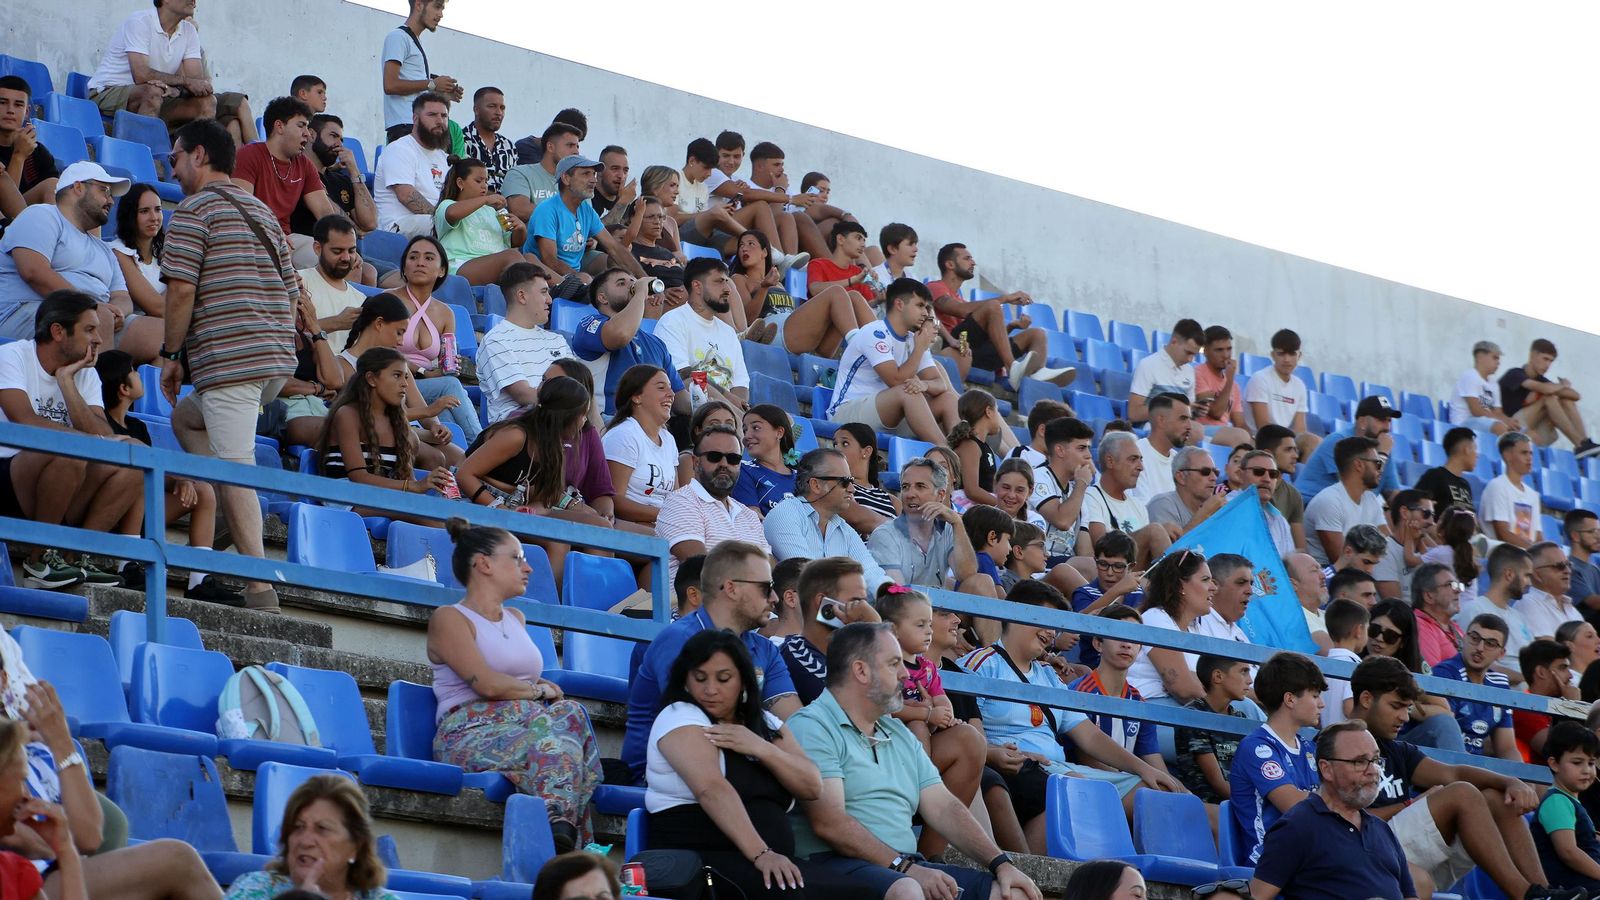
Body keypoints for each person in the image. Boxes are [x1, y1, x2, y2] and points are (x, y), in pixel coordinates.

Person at [787, 623, 1047, 900]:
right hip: (833, 866)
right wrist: (905, 867)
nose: (905, 674)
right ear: (861, 670)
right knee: (909, 890)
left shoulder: (896, 732)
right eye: (894, 663)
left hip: (902, 867)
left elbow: (944, 806)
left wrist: (1001, 864)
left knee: (1014, 893)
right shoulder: (812, 726)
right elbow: (830, 824)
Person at [158, 119, 296, 612]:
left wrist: (172, 356)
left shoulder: (193, 210)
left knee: (237, 467)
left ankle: (259, 589)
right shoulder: (260, 210)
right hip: (274, 360)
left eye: (174, 157)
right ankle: (219, 514)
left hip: (231, 359)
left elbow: (180, 290)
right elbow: (292, 288)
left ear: (198, 155)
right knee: (186, 419)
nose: (170, 168)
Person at [961, 590, 1185, 854]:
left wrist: (1143, 769)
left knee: (1153, 791)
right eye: (1045, 622)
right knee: (1076, 788)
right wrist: (994, 752)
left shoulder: (1049, 675)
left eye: (1054, 627)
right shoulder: (981, 664)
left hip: (1059, 767)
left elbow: (1087, 734)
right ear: (1016, 614)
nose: (1050, 633)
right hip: (1019, 767)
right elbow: (965, 731)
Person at [428, 518, 602, 850]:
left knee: (572, 713)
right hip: (470, 730)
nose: (529, 568)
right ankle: (567, 838)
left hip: (527, 725)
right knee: (553, 736)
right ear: (484, 564)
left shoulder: (517, 618)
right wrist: (538, 691)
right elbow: (488, 685)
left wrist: (538, 690)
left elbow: (521, 680)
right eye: (518, 558)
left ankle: (561, 825)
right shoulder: (449, 618)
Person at [1350, 655, 1582, 900]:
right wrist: (1409, 804)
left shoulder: (1395, 749)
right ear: (1366, 699)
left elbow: (1453, 772)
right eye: (1396, 706)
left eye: (1407, 708)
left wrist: (1509, 781)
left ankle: (1543, 891)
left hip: (1402, 850)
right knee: (1462, 793)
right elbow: (1341, 820)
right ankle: (1527, 896)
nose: (1405, 718)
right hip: (1369, 848)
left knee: (1496, 797)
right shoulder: (1339, 747)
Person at [647, 630, 853, 900]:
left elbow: (812, 786)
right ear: (685, 679)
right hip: (703, 859)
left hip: (767, 860)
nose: (710, 690)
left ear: (744, 681)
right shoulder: (680, 715)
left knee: (861, 893)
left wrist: (761, 748)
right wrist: (762, 854)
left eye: (724, 679)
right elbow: (711, 789)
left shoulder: (765, 724)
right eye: (699, 678)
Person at [622, 541, 801, 783]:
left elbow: (796, 724)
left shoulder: (765, 648)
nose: (774, 598)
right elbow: (701, 725)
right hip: (666, 778)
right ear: (731, 588)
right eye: (765, 587)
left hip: (738, 767)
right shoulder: (678, 639)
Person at [0, 291, 143, 588]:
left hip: (63, 480)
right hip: (9, 475)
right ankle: (39, 561)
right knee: (71, 450)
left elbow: (102, 433)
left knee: (133, 460)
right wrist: (86, 441)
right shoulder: (11, 356)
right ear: (58, 332)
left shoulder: (85, 373)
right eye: (89, 330)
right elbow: (24, 421)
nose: (99, 340)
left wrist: (66, 381)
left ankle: (75, 558)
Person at [95, 349, 241, 604]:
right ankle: (126, 564)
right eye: (133, 371)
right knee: (138, 476)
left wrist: (179, 481)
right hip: (112, 509)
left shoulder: (138, 427)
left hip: (141, 512)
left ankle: (199, 579)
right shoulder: (99, 422)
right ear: (123, 389)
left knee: (204, 491)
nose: (138, 374)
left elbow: (154, 470)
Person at [1247, 721, 1419, 900]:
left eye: (1376, 761)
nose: (1373, 770)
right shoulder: (1297, 826)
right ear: (1327, 769)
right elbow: (1258, 896)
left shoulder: (1382, 830)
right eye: (1360, 762)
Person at [875, 586, 987, 857]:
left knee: (969, 736)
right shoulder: (884, 661)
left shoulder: (926, 666)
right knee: (916, 727)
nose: (928, 631)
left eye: (928, 624)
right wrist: (925, 714)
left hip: (924, 736)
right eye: (920, 624)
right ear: (893, 629)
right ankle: (917, 785)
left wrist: (944, 713)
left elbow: (939, 696)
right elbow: (886, 708)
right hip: (887, 742)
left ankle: (932, 854)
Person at [0, 162, 134, 343]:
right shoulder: (42, 215)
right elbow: (34, 272)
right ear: (78, 187)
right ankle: (102, 370)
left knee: (158, 335)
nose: (111, 201)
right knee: (96, 319)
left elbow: (122, 296)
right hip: (24, 312)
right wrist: (91, 308)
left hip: (91, 317)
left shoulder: (104, 249)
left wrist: (117, 312)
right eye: (105, 191)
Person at [315, 347, 453, 518]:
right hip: (346, 497)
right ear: (372, 379)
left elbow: (407, 480)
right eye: (397, 376)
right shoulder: (347, 414)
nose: (405, 384)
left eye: (406, 377)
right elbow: (359, 477)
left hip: (383, 497)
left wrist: (427, 485)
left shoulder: (397, 421)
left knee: (445, 512)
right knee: (421, 512)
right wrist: (413, 487)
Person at [333, 292, 463, 465]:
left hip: (408, 429)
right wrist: (429, 411)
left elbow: (417, 402)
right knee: (435, 457)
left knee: (460, 457)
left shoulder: (397, 362)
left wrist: (434, 426)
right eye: (399, 332)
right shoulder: (344, 365)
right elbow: (373, 416)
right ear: (379, 323)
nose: (402, 342)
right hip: (380, 434)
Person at [826, 278, 957, 445]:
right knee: (906, 391)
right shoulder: (875, 332)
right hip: (847, 415)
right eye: (920, 306)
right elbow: (895, 380)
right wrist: (919, 349)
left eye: (927, 307)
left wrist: (925, 385)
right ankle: (947, 454)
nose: (925, 313)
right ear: (900, 305)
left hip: (887, 414)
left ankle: (960, 449)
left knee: (948, 399)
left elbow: (940, 384)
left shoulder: (914, 338)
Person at [924, 243, 1072, 391]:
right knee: (993, 306)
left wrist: (1011, 327)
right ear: (950, 264)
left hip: (974, 353)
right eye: (967, 258)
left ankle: (1037, 373)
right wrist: (1005, 299)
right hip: (955, 347)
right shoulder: (935, 287)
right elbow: (959, 310)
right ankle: (1012, 368)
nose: (973, 262)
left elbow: (987, 338)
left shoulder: (964, 301)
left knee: (1038, 334)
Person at [224, 775, 398, 900]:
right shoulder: (254, 889)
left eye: (322, 829)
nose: (305, 841)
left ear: (356, 846)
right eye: (298, 827)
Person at [1229, 651, 1327, 864]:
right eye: (1315, 695)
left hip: (1305, 855)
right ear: (1290, 699)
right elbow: (1293, 805)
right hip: (1268, 861)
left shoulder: (1309, 747)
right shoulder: (1257, 748)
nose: (1322, 705)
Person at [386, 234, 482, 443]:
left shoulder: (446, 313)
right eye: (413, 257)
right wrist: (424, 372)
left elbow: (446, 357)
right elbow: (380, 350)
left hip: (427, 387)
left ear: (442, 270)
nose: (420, 262)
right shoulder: (388, 300)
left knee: (447, 414)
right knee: (450, 387)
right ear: (403, 267)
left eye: (429, 258)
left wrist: (448, 366)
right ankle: (481, 446)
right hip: (392, 382)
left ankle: (461, 462)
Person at [232, 96, 346, 269]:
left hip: (288, 239)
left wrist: (343, 247)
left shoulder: (304, 164)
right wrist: (272, 233)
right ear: (279, 126)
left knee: (344, 262)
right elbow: (240, 206)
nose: (307, 134)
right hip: (252, 234)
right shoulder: (249, 155)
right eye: (301, 125)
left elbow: (324, 212)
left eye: (307, 127)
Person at [731, 229, 871, 358]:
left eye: (751, 244)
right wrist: (763, 288)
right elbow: (746, 319)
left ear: (765, 252)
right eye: (741, 245)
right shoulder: (739, 279)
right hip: (774, 331)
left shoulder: (779, 284)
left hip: (795, 330)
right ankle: (859, 343)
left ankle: (882, 339)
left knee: (853, 296)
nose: (744, 248)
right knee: (836, 292)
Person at [766, 449, 892, 591]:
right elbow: (808, 575)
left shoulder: (845, 530)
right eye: (844, 481)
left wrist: (893, 594)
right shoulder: (785, 514)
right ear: (816, 485)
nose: (852, 489)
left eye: (851, 481)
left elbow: (872, 574)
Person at [657, 423, 770, 582]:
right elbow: (701, 567)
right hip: (698, 604)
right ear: (695, 462)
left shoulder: (749, 515)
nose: (724, 464)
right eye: (714, 456)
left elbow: (768, 570)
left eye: (733, 458)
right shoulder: (680, 501)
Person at [85, 0, 221, 127]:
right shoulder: (139, 21)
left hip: (157, 95)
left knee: (208, 103)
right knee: (152, 92)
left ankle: (187, 151)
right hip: (108, 92)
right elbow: (141, 75)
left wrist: (176, 89)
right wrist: (185, 82)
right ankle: (141, 152)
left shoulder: (189, 31)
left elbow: (197, 83)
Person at [524, 155, 645, 296]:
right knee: (588, 281)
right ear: (566, 178)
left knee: (620, 273)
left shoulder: (586, 210)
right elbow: (550, 260)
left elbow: (614, 248)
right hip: (543, 279)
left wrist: (645, 280)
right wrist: (585, 282)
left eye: (594, 174)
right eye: (586, 174)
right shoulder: (547, 210)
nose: (594, 180)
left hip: (574, 275)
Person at [572, 269, 687, 416]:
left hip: (652, 427)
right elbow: (620, 334)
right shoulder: (590, 324)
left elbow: (679, 397)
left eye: (634, 282)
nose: (632, 286)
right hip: (610, 423)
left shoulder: (655, 343)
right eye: (621, 283)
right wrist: (639, 293)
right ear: (603, 298)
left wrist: (705, 404)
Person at [1069, 605, 1166, 772]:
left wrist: (1179, 790)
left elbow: (1155, 763)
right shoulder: (1080, 693)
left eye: (1133, 638)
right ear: (1098, 644)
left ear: (1140, 648)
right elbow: (1087, 760)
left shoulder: (1139, 703)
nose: (1127, 644)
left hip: (1131, 784)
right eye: (1118, 635)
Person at [867, 458, 985, 594]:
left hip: (936, 608)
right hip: (902, 610)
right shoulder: (885, 535)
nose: (910, 494)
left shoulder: (947, 529)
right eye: (905, 487)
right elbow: (897, 595)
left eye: (920, 486)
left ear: (940, 495)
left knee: (982, 582)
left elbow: (966, 575)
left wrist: (957, 523)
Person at [0, 718, 86, 900]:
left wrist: (66, 851)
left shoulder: (17, 874)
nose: (27, 796)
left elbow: (92, 835)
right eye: (21, 780)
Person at [1366, 598, 1464, 752]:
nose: (1379, 638)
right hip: (1361, 739)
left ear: (1403, 642)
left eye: (1390, 636)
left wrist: (1405, 706)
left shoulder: (1414, 664)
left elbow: (1446, 712)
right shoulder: (1352, 653)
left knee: (1444, 724)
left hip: (1400, 743)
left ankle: (1459, 775)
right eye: (1374, 630)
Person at [476, 264, 570, 423]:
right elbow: (523, 395)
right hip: (521, 427)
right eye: (544, 292)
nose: (550, 300)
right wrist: (572, 404)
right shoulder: (496, 340)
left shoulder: (557, 340)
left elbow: (579, 385)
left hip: (563, 419)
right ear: (522, 296)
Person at [778, 557, 879, 704]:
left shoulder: (846, 654)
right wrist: (874, 627)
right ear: (823, 604)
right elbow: (865, 706)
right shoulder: (799, 654)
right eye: (856, 601)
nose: (864, 610)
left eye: (865, 602)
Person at [656, 257, 750, 410]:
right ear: (697, 287)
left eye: (727, 281)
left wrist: (739, 407)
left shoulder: (728, 332)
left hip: (729, 416)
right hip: (693, 411)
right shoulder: (672, 321)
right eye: (719, 282)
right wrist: (727, 398)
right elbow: (682, 375)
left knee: (782, 418)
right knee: (694, 380)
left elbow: (740, 384)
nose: (728, 289)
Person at [433, 157, 544, 287]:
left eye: (486, 181)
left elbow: (514, 242)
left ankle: (564, 287)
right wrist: (486, 200)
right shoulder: (448, 205)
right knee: (512, 257)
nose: (484, 186)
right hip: (460, 267)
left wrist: (520, 229)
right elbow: (452, 213)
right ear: (460, 183)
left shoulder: (493, 212)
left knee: (531, 258)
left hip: (496, 266)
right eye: (478, 181)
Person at [1122, 549, 1214, 703]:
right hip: (1149, 708)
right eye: (1205, 580)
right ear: (1180, 586)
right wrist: (1191, 680)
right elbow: (1183, 688)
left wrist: (1191, 678)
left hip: (1188, 711)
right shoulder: (1155, 617)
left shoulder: (1198, 629)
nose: (1213, 587)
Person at [1433, 613, 1521, 760]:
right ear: (1464, 638)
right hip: (1445, 765)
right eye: (1475, 638)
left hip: (1474, 770)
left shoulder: (1499, 685)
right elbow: (1448, 742)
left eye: (1490, 643)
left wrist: (1524, 780)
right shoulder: (1446, 673)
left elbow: (1507, 749)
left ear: (1501, 653)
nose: (1480, 648)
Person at [602, 364, 680, 527]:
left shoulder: (669, 440)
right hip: (626, 526)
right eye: (661, 388)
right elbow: (614, 500)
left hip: (661, 525)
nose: (671, 394)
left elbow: (675, 500)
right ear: (637, 397)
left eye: (671, 389)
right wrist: (666, 516)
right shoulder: (623, 435)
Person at [1082, 432, 1172, 566]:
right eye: (1133, 459)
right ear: (1110, 461)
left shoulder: (1137, 505)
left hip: (1137, 575)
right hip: (1112, 573)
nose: (1141, 467)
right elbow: (1103, 549)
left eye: (1141, 459)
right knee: (1155, 530)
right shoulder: (1090, 497)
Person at [1500, 339, 1600, 457]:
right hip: (1510, 428)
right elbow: (1546, 389)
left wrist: (1558, 388)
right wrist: (1562, 385)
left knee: (1566, 401)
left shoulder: (1543, 380)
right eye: (1545, 359)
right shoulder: (1515, 374)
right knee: (1548, 398)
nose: (1547, 365)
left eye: (1551, 361)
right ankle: (1580, 444)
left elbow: (1575, 396)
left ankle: (1584, 443)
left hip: (1535, 432)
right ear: (1533, 355)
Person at [1173, 654, 1253, 803]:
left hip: (1239, 802)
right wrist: (1254, 805)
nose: (1250, 680)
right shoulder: (1194, 715)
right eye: (1243, 672)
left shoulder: (1240, 717)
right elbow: (1218, 783)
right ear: (1218, 676)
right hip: (1207, 808)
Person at [380, 0, 462, 142]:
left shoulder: (413, 40)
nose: (440, 14)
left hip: (417, 126)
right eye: (437, 7)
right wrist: (432, 84)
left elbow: (415, 86)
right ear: (419, 4)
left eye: (442, 9)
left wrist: (442, 93)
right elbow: (390, 85)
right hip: (405, 127)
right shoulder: (398, 37)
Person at [1295, 395, 1404, 502]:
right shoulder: (1339, 442)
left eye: (1389, 421)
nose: (1387, 427)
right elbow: (1353, 490)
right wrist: (1382, 455)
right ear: (1362, 422)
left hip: (1344, 511)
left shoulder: (1382, 449)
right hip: (1309, 506)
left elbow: (1393, 495)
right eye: (1381, 420)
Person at [1532, 721, 1600, 891]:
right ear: (1554, 763)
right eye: (1577, 763)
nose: (1586, 770)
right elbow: (1568, 852)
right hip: (1572, 887)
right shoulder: (1557, 801)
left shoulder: (1569, 801)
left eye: (1591, 763)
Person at [373, 92, 451, 237]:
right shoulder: (399, 149)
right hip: (398, 226)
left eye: (444, 116)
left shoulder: (443, 157)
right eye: (432, 115)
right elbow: (406, 195)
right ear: (415, 119)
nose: (440, 121)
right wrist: (443, 220)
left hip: (432, 223)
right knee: (450, 227)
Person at [1304, 436, 1387, 567]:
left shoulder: (1371, 499)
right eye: (1377, 464)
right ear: (1359, 465)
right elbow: (1342, 561)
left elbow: (1387, 545)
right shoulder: (1329, 501)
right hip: (1326, 577)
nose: (1381, 470)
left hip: (1360, 572)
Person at [1458, 543, 1538, 678]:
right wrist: (1525, 678)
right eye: (1527, 575)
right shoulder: (1474, 610)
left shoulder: (1519, 617)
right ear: (1509, 574)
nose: (1529, 583)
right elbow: (1473, 662)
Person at [292, 116, 379, 239]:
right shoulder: (296, 174)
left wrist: (354, 170)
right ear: (311, 135)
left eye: (341, 139)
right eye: (333, 136)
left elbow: (370, 223)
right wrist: (354, 229)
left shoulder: (341, 180)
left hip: (348, 254)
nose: (340, 144)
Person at [1030, 416, 1096, 564]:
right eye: (1081, 448)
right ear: (1060, 450)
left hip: (1066, 563)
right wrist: (1081, 484)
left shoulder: (1078, 491)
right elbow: (1062, 521)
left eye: (1088, 448)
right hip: (1040, 562)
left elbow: (1085, 552)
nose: (1089, 456)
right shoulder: (1037, 477)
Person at [1128, 319, 1203, 424]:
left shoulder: (1189, 371)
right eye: (1188, 353)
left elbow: (1188, 412)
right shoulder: (1148, 365)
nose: (1191, 359)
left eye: (1194, 355)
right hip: (1154, 427)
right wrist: (1172, 408)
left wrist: (1194, 410)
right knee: (1197, 432)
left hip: (1181, 427)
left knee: (1232, 435)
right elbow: (1134, 413)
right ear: (1174, 342)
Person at [503, 123, 579, 223]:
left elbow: (587, 220)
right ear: (550, 147)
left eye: (577, 146)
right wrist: (565, 214)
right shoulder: (520, 173)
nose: (576, 151)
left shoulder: (579, 181)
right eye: (570, 145)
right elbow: (520, 210)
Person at [0, 76, 58, 206]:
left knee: (54, 186)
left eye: (18, 105)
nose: (10, 110)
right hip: (4, 218)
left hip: (31, 217)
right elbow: (4, 206)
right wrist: (19, 156)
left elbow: (57, 197)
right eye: (3, 102)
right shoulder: (26, 149)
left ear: (26, 112)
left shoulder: (38, 151)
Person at [1146, 445, 1228, 536]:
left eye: (1216, 472)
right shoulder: (1162, 505)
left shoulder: (1216, 510)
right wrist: (1205, 513)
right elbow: (1170, 549)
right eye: (1205, 472)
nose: (1214, 478)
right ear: (1181, 477)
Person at [731, 404, 796, 516]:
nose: (746, 436)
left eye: (756, 428)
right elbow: (752, 520)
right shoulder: (743, 470)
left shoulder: (803, 478)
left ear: (779, 432)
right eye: (745, 430)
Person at [1320, 598, 1372, 728]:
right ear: (1359, 630)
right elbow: (1349, 707)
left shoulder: (1324, 665)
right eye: (1367, 629)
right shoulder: (1354, 666)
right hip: (1349, 739)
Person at [834, 421, 898, 524]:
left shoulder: (891, 500)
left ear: (866, 451)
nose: (836, 449)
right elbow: (855, 517)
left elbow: (912, 532)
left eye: (845, 443)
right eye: (835, 444)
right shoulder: (836, 486)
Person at [1257, 423, 1309, 551]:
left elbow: (1300, 548)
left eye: (1295, 450)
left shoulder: (1294, 495)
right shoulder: (1248, 489)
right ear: (1268, 453)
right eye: (1288, 450)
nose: (1295, 456)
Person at [1244, 329, 1307, 432]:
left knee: (1311, 440)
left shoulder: (1300, 385)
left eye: (1292, 354)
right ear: (1273, 355)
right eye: (1281, 354)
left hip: (1283, 440)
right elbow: (1263, 427)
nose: (1287, 359)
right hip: (1260, 440)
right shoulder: (1260, 379)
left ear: (1299, 355)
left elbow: (1300, 430)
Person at [1194, 324, 1251, 438]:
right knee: (1240, 436)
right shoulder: (1198, 373)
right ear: (1205, 351)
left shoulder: (1234, 386)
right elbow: (1216, 413)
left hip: (1223, 433)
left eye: (1229, 349)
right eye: (1219, 350)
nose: (1226, 355)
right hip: (1202, 431)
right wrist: (1229, 380)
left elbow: (1239, 422)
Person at [1453, 340, 1521, 434]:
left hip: (1485, 423)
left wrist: (1509, 421)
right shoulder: (1470, 376)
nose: (1498, 363)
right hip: (1463, 425)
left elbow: (1498, 413)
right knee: (1499, 427)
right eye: (1495, 358)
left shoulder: (1493, 383)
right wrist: (1503, 421)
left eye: (1498, 359)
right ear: (1479, 357)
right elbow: (1476, 411)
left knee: (1526, 434)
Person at [1378, 489, 1434, 601]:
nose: (1431, 522)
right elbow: (1396, 608)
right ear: (1404, 512)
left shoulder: (1425, 550)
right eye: (1426, 514)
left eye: (1433, 515)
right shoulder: (1384, 551)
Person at [1524, 541, 1586, 640]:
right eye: (1559, 566)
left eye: (1569, 565)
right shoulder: (1528, 604)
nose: (1568, 571)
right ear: (1536, 574)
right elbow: (1548, 649)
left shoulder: (1573, 611)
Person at [1413, 561, 1467, 668]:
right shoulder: (1420, 626)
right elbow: (1433, 679)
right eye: (1450, 585)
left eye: (1457, 585)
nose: (1458, 590)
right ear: (1429, 596)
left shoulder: (1454, 627)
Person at [463, 87, 515, 192]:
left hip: (507, 206)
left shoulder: (508, 146)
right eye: (492, 106)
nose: (499, 112)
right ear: (476, 109)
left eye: (502, 108)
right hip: (474, 205)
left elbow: (515, 183)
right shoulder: (462, 140)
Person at [1418, 426, 1481, 513]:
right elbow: (1417, 506)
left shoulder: (1465, 485)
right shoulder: (1435, 476)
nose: (1477, 455)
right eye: (1475, 449)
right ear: (1467, 449)